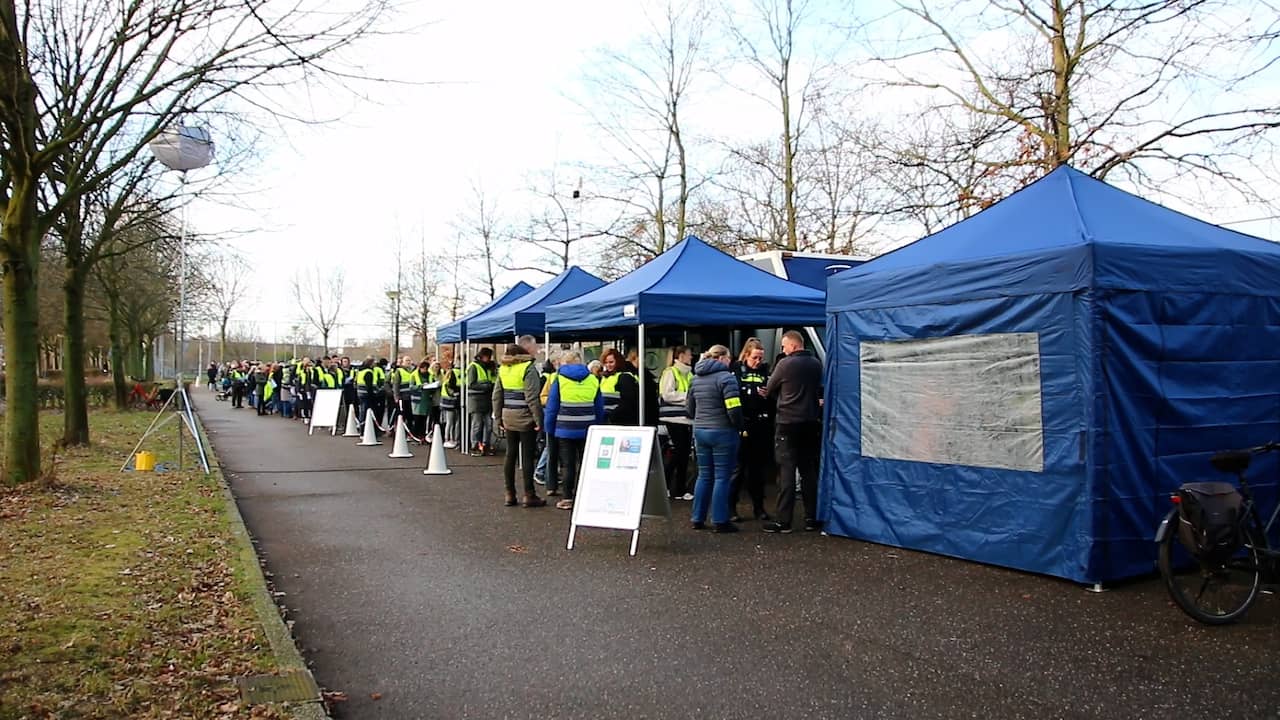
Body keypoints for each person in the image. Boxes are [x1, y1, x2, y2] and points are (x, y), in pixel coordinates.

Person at [762, 331, 824, 533]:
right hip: (810, 421)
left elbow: (769, 387)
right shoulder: (816, 364)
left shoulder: (785, 364)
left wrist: (766, 391)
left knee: (787, 471)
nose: (783, 350)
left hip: (788, 422)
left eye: (784, 346)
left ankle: (784, 520)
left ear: (794, 346)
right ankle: (811, 517)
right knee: (808, 471)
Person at [685, 344, 744, 533]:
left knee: (704, 475)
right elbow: (733, 409)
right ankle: (720, 520)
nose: (730, 361)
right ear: (722, 358)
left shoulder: (695, 379)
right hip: (722, 432)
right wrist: (740, 426)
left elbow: (690, 409)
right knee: (722, 477)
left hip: (701, 430)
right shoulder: (727, 379)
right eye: (729, 358)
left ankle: (697, 517)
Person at [542, 349, 604, 510]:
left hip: (564, 429)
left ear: (564, 363)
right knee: (586, 463)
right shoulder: (593, 379)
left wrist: (549, 428)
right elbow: (599, 407)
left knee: (567, 465)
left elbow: (552, 407)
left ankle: (567, 498)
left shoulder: (559, 379)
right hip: (588, 428)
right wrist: (597, 425)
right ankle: (586, 495)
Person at [493, 336, 545, 508]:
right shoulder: (528, 368)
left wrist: (498, 417)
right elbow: (532, 398)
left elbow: (497, 396)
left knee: (510, 454)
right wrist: (539, 420)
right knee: (527, 456)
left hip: (508, 416)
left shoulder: (504, 369)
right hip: (525, 417)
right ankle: (529, 494)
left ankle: (509, 493)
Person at [730, 338, 772, 522]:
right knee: (738, 469)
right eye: (755, 357)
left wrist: (769, 395)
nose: (758, 361)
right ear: (746, 355)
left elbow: (774, 398)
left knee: (758, 470)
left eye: (761, 358)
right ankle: (731, 508)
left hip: (761, 424)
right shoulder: (737, 371)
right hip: (742, 423)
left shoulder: (766, 372)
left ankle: (759, 507)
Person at [658, 345, 695, 501]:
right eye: (689, 354)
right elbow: (667, 394)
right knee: (680, 452)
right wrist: (687, 397)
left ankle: (678, 488)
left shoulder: (690, 374)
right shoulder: (670, 372)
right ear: (680, 356)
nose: (691, 357)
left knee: (683, 453)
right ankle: (670, 486)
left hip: (686, 418)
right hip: (672, 419)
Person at [535, 356, 560, 494]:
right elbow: (542, 397)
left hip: (558, 417)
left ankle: (550, 475)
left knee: (552, 446)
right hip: (552, 415)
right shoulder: (550, 378)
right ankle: (541, 471)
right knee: (550, 446)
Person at [466, 348, 498, 456]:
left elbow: (494, 380)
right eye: (487, 356)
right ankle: (474, 446)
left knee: (489, 425)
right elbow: (471, 384)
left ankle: (486, 445)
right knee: (477, 425)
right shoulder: (473, 367)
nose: (488, 359)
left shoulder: (489, 368)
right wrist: (487, 386)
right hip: (476, 400)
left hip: (487, 400)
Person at [439, 355, 461, 448]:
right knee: (451, 422)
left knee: (451, 422)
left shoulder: (448, 374)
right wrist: (455, 394)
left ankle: (450, 438)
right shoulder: (454, 373)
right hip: (450, 401)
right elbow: (450, 388)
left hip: (447, 401)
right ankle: (449, 439)